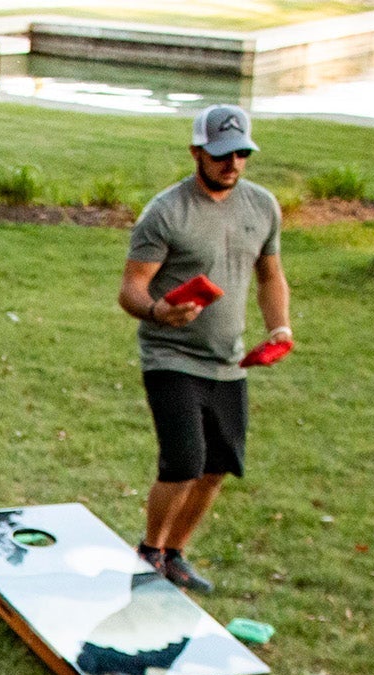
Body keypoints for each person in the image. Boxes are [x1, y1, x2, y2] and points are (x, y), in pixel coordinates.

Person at [118, 104, 291, 594]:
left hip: (229, 360)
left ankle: (175, 554)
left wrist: (279, 326)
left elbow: (271, 275)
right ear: (196, 151)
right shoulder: (166, 212)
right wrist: (156, 312)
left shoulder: (262, 207)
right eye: (220, 154)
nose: (231, 162)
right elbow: (132, 288)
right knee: (185, 461)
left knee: (217, 467)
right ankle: (149, 552)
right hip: (170, 354)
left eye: (240, 153)